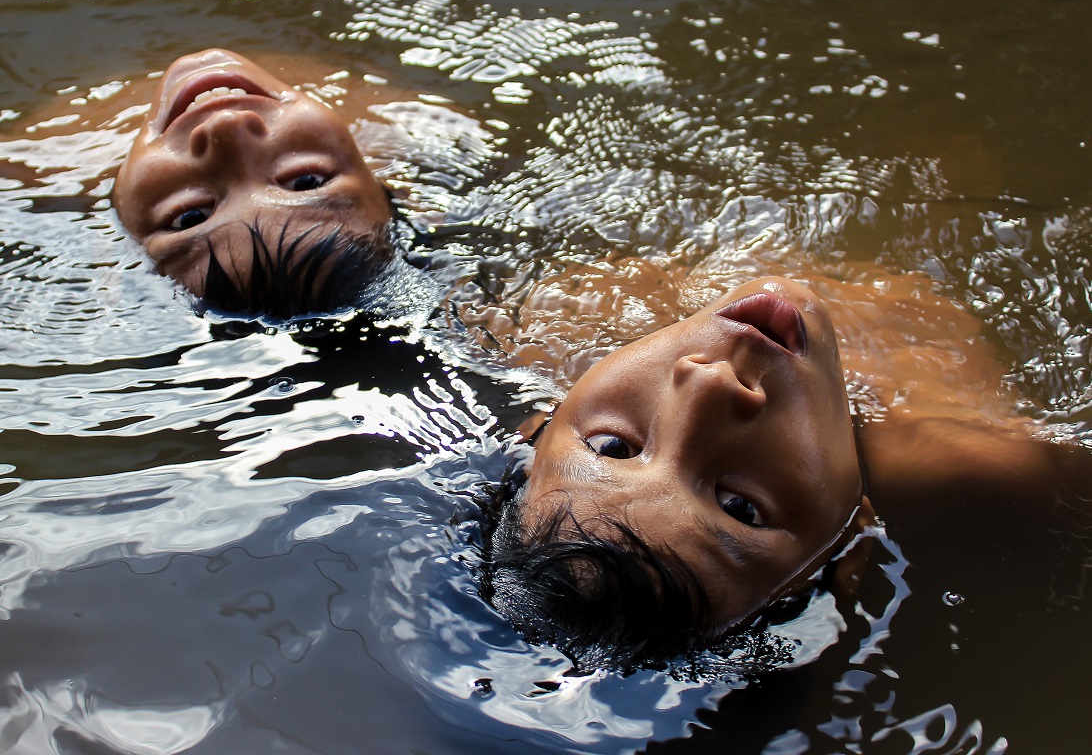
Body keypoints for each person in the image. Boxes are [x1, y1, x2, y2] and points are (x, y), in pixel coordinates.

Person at [471, 254, 1089, 667]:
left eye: (614, 447)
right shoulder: (987, 454)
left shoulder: (558, 312)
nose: (710, 385)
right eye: (740, 507)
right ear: (851, 543)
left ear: (541, 426)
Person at [112, 48, 405, 318]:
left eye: (191, 217)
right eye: (305, 182)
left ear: (110, 262)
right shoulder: (395, 121)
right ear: (398, 187)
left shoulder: (87, 147)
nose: (225, 123)